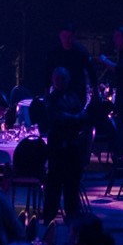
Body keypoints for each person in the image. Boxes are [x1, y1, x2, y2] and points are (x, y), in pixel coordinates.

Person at [38, 66, 89, 222]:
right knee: (54, 185)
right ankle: (49, 219)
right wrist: (75, 118)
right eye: (58, 79)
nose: (61, 82)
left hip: (72, 147)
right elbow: (57, 118)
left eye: (64, 79)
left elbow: (83, 117)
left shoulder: (73, 96)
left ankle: (72, 218)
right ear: (53, 80)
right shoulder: (51, 99)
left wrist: (73, 118)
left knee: (71, 185)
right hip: (57, 147)